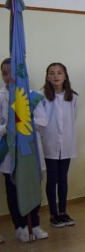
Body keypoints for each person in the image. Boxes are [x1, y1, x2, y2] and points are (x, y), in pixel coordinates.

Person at [0, 58, 49, 242]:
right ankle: (19, 226)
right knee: (12, 190)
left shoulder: (32, 96)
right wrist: (8, 128)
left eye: (12, 73)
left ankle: (34, 224)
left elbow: (43, 123)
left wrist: (23, 123)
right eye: (4, 73)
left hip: (30, 151)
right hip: (9, 153)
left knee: (32, 188)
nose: (8, 77)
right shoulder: (0, 96)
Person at [35, 62, 78, 228]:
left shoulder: (72, 97)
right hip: (50, 142)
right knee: (52, 178)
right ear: (47, 76)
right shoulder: (41, 96)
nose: (56, 76)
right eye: (52, 73)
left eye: (59, 73)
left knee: (63, 178)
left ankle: (63, 212)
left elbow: (72, 118)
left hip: (66, 143)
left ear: (65, 76)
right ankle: (54, 214)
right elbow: (40, 121)